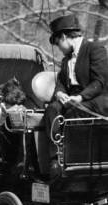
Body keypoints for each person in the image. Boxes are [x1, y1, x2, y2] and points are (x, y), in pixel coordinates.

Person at [43, 13, 108, 178]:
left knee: (73, 114)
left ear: (64, 37)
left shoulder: (95, 49)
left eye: (58, 44)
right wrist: (59, 93)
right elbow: (61, 82)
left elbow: (100, 82)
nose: (59, 48)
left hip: (95, 99)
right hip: (72, 99)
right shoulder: (66, 60)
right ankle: (55, 159)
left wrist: (80, 97)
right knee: (51, 110)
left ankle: (73, 158)